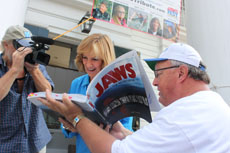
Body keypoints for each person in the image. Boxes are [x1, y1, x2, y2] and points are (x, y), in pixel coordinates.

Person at [39, 43, 230, 153]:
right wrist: (123, 132)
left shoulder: (181, 116)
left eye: (159, 74)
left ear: (181, 73)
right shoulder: (214, 104)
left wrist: (76, 117)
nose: (154, 83)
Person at [60, 33, 133, 153]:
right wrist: (68, 127)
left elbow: (126, 131)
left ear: (105, 60)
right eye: (85, 57)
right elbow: (65, 119)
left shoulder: (121, 88)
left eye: (94, 59)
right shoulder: (76, 84)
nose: (88, 64)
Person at [0, 25, 54, 153]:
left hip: (36, 141)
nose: (25, 50)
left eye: (28, 46)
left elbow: (47, 93)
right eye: (20, 46)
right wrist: (14, 70)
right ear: (5, 44)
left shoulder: (34, 64)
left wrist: (34, 70)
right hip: (5, 143)